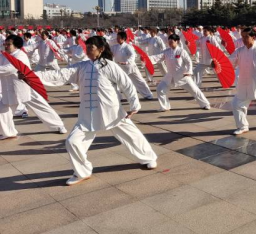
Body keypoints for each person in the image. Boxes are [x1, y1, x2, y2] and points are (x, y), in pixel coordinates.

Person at [34, 36, 158, 186]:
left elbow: (127, 85)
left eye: (90, 48)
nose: (87, 50)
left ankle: (148, 157)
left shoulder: (110, 66)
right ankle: (82, 172)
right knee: (72, 142)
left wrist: (134, 105)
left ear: (101, 49)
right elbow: (60, 74)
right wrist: (33, 76)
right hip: (88, 113)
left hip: (112, 112)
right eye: (86, 47)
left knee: (133, 136)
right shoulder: (81, 66)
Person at [0, 35, 67, 140]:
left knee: (40, 106)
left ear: (16, 46)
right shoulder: (4, 55)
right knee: (3, 110)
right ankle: (8, 132)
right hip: (8, 88)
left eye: (9, 44)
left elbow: (9, 69)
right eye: (5, 44)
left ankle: (58, 125)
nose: (6, 46)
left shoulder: (20, 55)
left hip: (24, 86)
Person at [150, 34, 211, 112]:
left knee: (195, 91)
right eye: (169, 42)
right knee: (160, 89)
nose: (170, 43)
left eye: (171, 42)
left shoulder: (182, 51)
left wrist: (189, 71)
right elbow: (157, 57)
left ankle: (205, 104)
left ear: (177, 41)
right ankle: (165, 106)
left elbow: (189, 62)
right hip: (170, 76)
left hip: (183, 76)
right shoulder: (167, 51)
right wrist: (146, 58)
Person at [111, 32, 153, 100]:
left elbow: (133, 55)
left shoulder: (127, 47)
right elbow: (109, 52)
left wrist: (127, 62)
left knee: (140, 81)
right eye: (117, 38)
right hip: (120, 68)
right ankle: (118, 97)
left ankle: (148, 95)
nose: (117, 39)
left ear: (123, 39)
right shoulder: (114, 47)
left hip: (131, 68)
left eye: (119, 38)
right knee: (116, 83)